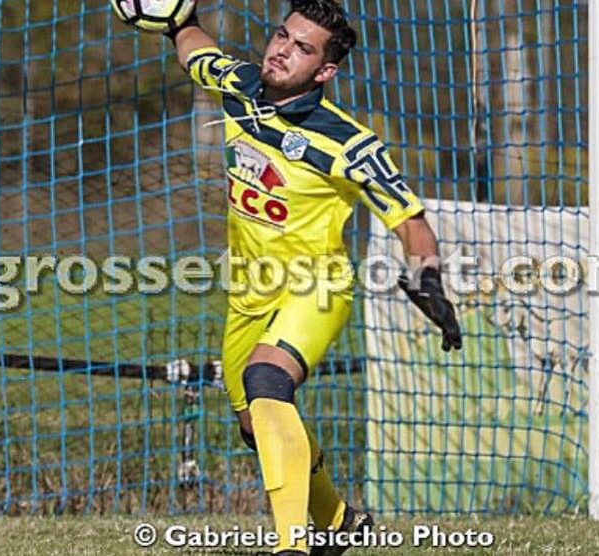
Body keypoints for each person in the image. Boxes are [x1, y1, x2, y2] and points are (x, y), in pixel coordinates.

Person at [166, 1, 462, 554]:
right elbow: (196, 53)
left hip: (317, 287)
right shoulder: (238, 86)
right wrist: (176, 19)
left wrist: (429, 279)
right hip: (248, 294)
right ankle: (339, 522)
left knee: (267, 381)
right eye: (282, 36)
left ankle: (291, 545)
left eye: (302, 48)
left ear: (325, 71)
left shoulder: (348, 143)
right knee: (255, 424)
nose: (282, 50)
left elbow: (410, 221)